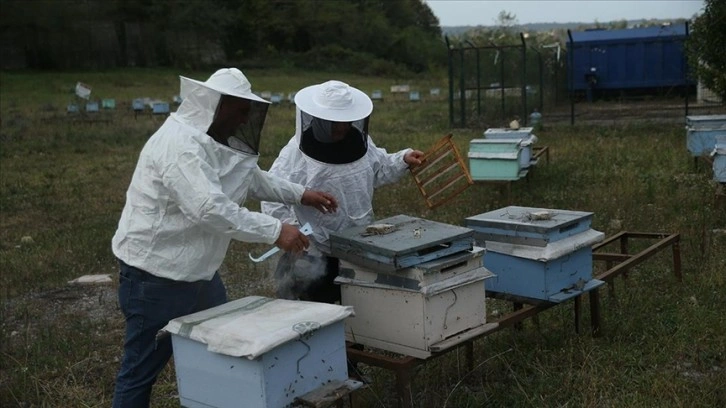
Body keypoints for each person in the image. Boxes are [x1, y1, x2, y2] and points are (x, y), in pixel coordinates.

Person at [110, 68, 337, 408]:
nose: (245, 119)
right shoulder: (179, 146)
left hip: (200, 275)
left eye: (249, 111)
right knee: (141, 371)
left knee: (221, 353)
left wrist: (301, 193)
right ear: (217, 105)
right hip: (154, 278)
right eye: (241, 110)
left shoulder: (212, 139)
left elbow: (247, 177)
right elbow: (209, 208)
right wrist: (275, 230)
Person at [261, 80, 424, 304]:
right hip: (314, 251)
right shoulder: (294, 154)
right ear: (318, 120)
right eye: (334, 123)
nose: (341, 128)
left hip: (359, 245)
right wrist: (292, 229)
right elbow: (272, 195)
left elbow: (379, 168)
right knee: (317, 312)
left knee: (360, 310)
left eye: (346, 122)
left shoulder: (359, 141)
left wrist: (402, 159)